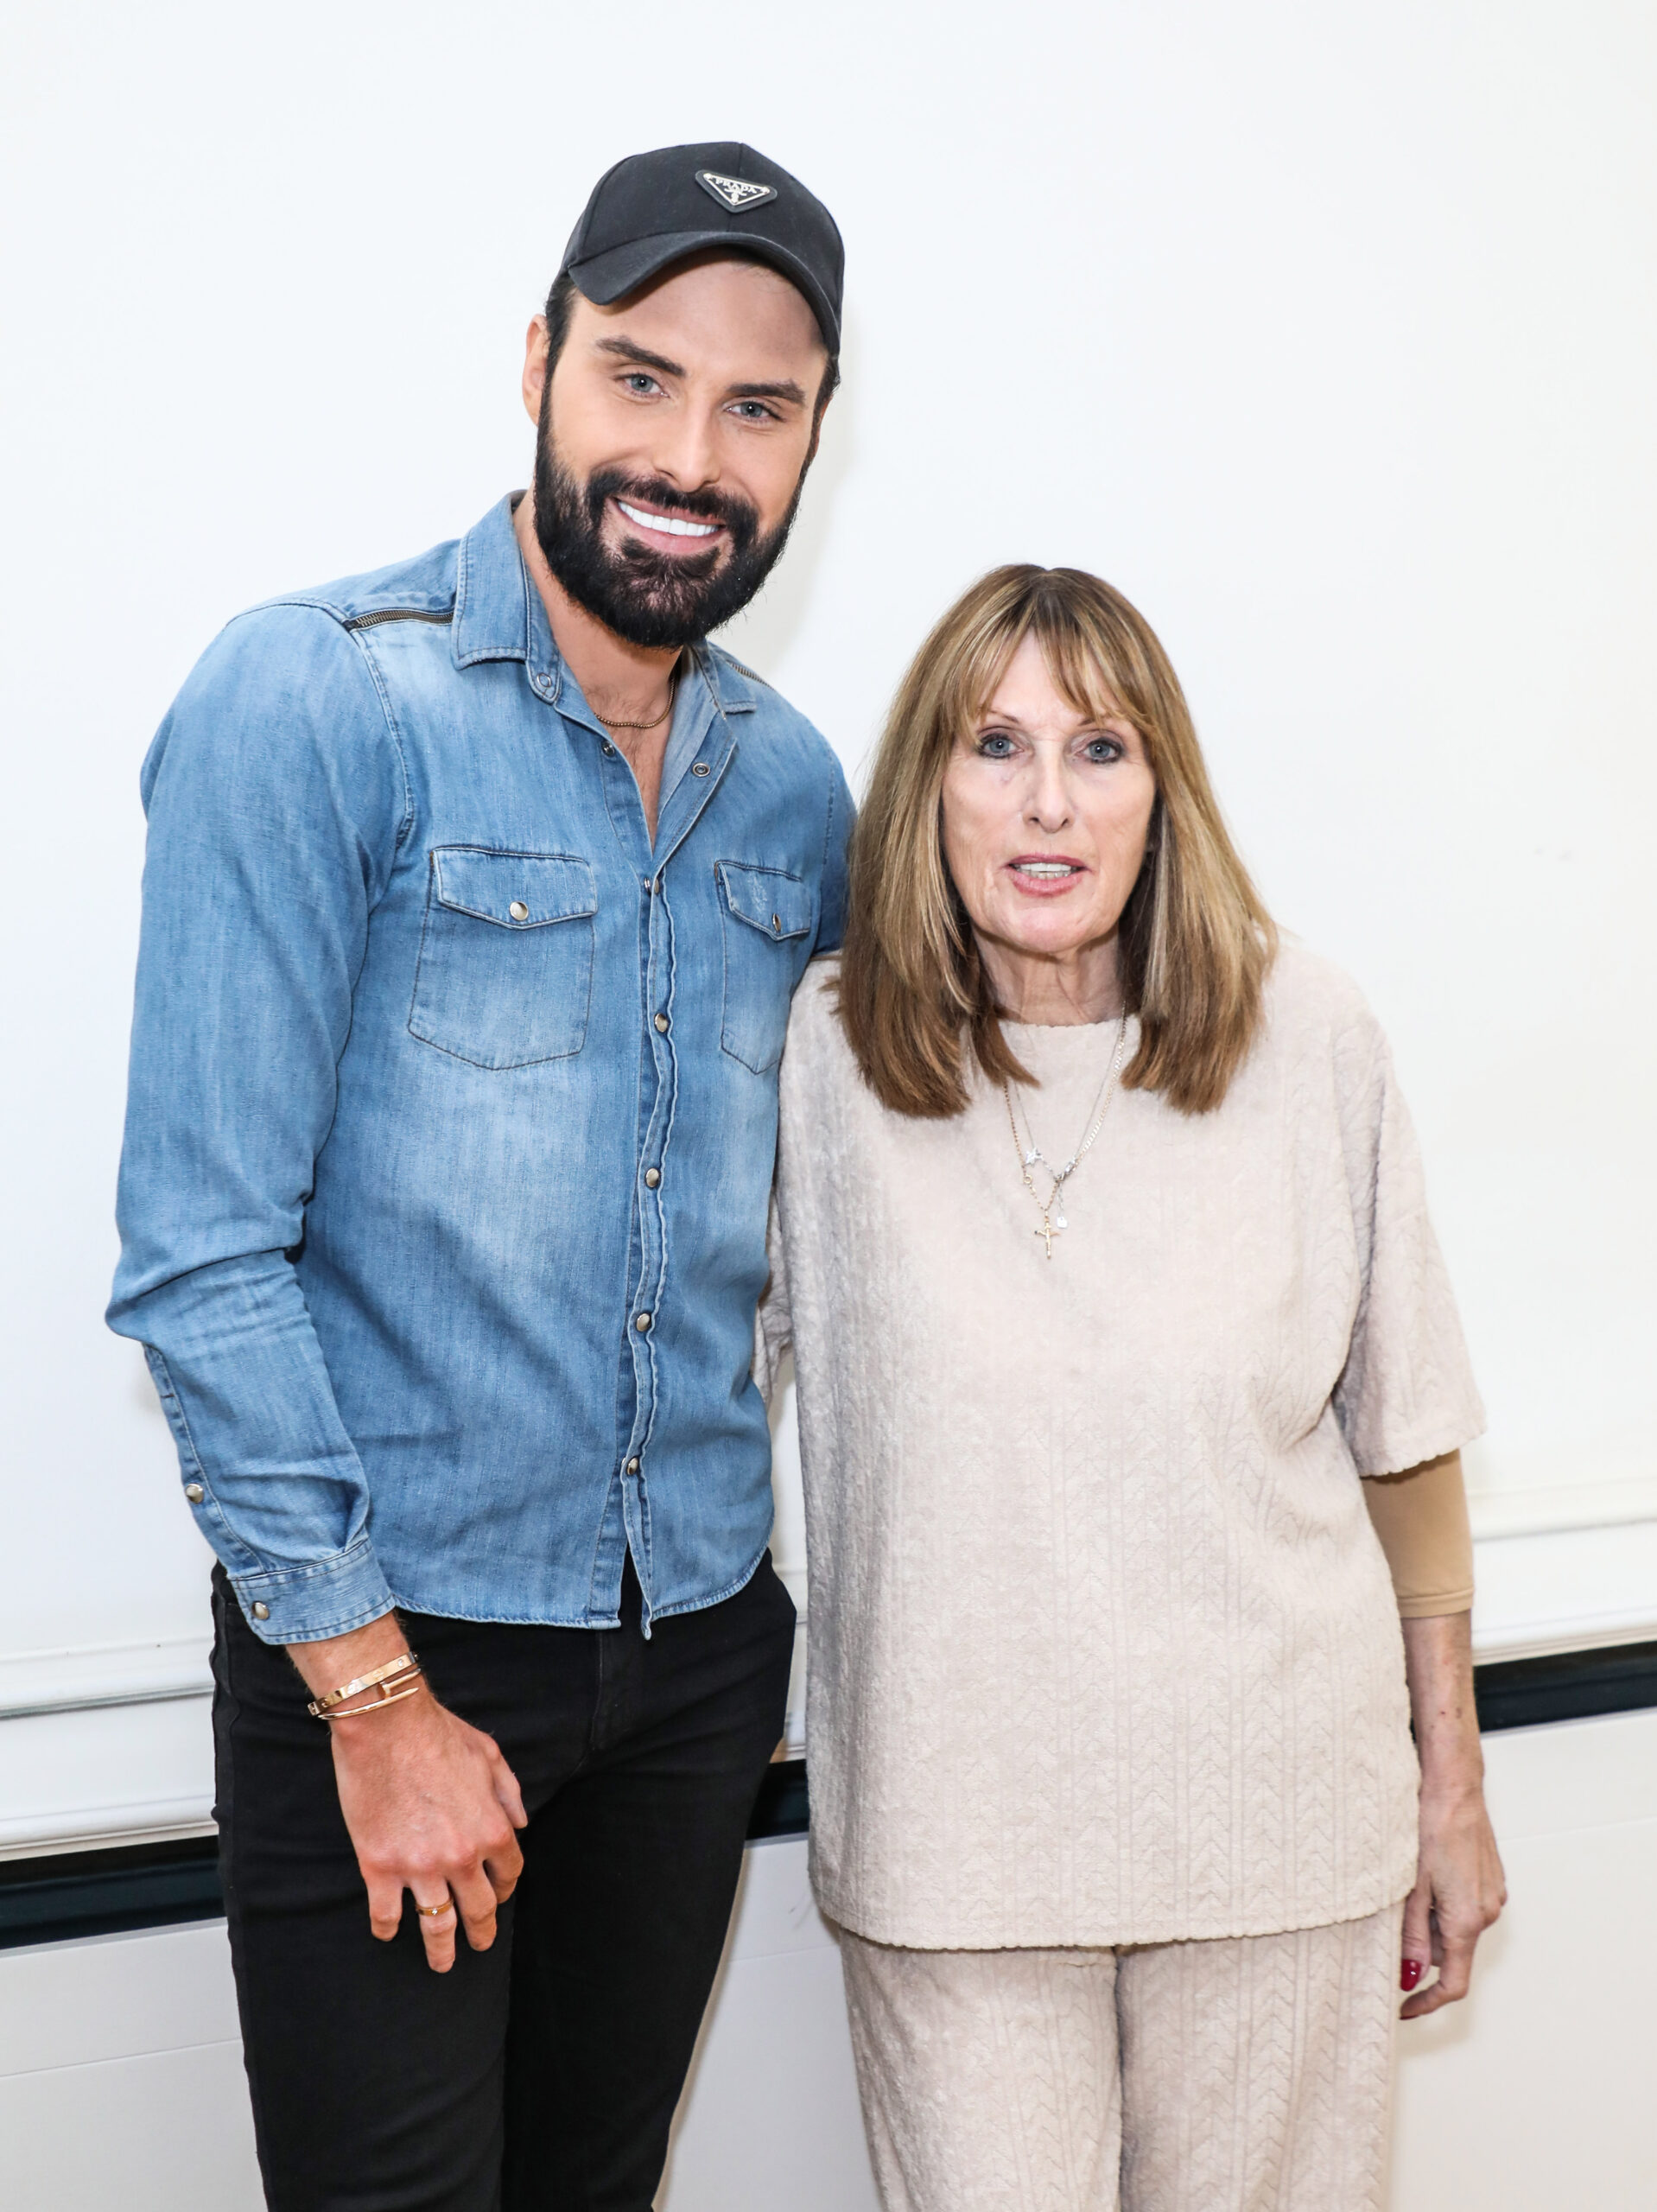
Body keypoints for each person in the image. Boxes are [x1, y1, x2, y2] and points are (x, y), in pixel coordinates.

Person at [108, 143, 851, 2212]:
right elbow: (201, 1257)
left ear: (809, 445)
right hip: (403, 1646)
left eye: (757, 405)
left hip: (696, 1644)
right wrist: (373, 1696)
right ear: (537, 363)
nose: (686, 455)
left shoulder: (792, 785)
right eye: (638, 376)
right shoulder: (317, 698)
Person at [756, 565, 1507, 2211]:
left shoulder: (1304, 1031)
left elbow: (1407, 1439)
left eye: (1098, 750)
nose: (1045, 803)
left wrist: (1449, 1790)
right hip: (951, 1848)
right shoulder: (823, 1050)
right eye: (992, 744)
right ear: (922, 788)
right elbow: (678, 1388)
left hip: (1277, 1831)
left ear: (1161, 786)